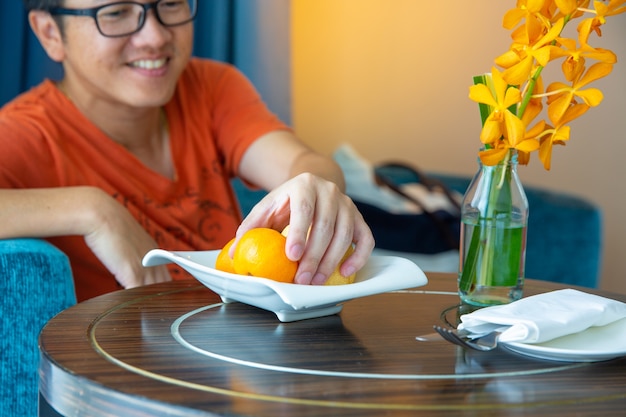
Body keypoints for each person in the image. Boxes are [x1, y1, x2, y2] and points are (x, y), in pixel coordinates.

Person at [0, 0, 374, 302]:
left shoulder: (211, 88)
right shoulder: (24, 134)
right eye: (115, 13)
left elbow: (301, 163)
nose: (155, 36)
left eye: (171, 3)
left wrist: (314, 188)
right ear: (51, 32)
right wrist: (91, 209)